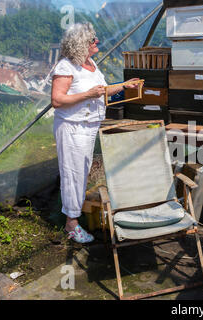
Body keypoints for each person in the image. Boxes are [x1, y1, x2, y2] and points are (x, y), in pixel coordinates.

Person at [51, 22, 139, 243]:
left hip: (88, 126)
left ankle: (74, 216)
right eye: (93, 40)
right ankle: (71, 225)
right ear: (81, 44)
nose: (97, 41)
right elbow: (57, 100)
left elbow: (101, 92)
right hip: (73, 127)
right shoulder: (66, 67)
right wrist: (87, 95)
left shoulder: (90, 63)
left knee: (82, 170)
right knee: (73, 173)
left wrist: (124, 85)